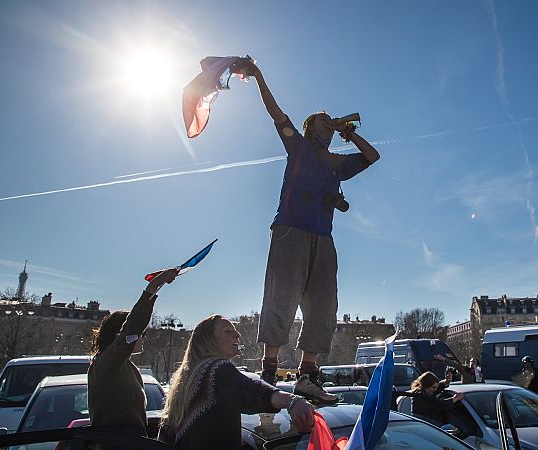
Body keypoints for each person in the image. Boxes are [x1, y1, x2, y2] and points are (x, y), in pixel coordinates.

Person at [233, 58, 380, 402]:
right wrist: (258, 76)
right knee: (281, 298)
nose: (329, 124)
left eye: (332, 123)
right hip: (290, 231)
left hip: (323, 238)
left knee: (323, 305)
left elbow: (372, 157)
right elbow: (276, 113)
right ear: (311, 128)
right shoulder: (297, 146)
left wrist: (351, 133)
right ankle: (269, 371)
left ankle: (307, 375)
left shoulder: (338, 163)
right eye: (323, 121)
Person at [158, 314, 314, 450]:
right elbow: (249, 391)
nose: (238, 335)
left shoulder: (184, 381)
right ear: (208, 341)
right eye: (228, 331)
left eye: (235, 330)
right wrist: (292, 401)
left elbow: (165, 436)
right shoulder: (217, 368)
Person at [88, 268, 179, 437]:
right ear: (119, 336)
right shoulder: (107, 364)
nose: (143, 338)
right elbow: (133, 326)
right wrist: (156, 284)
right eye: (141, 334)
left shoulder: (123, 365)